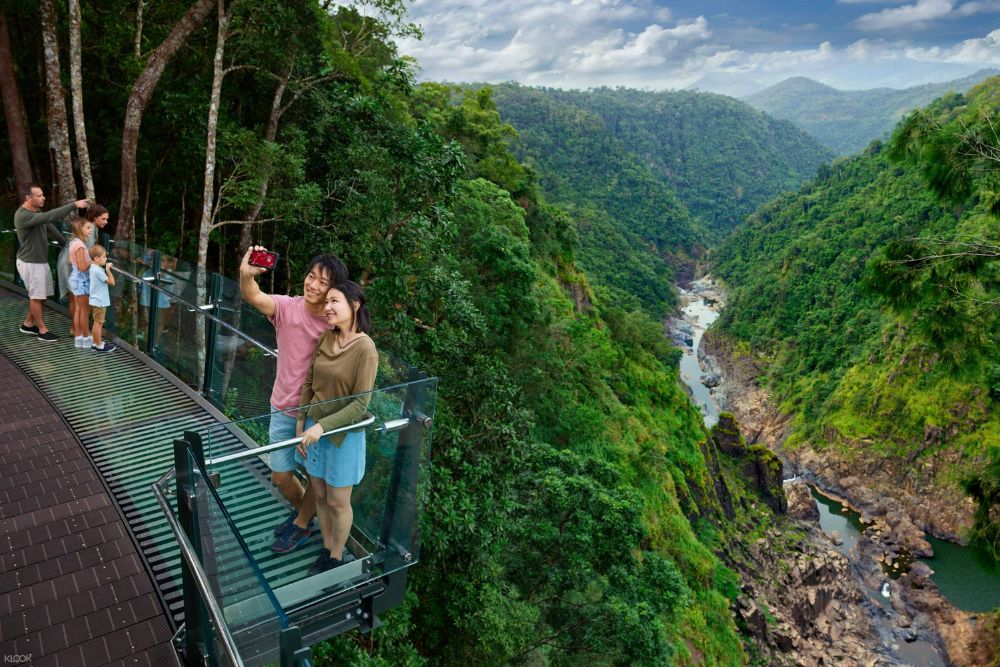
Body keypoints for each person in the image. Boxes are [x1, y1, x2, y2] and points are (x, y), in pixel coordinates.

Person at [239, 245, 349, 553]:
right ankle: (305, 515)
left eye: (322, 282)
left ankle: (301, 524)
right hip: (283, 407)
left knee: (316, 477)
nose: (313, 285)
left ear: (334, 290)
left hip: (317, 416)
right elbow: (254, 296)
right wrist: (246, 274)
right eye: (310, 276)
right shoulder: (288, 308)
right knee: (281, 477)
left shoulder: (337, 323)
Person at [296, 281, 378, 576]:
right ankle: (327, 548)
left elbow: (360, 404)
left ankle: (336, 554)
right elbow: (309, 383)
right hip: (313, 431)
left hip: (343, 437)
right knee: (319, 496)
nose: (327, 307)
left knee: (338, 501)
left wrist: (321, 426)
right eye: (326, 302)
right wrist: (301, 424)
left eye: (335, 301)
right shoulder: (325, 338)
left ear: (354, 306)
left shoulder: (365, 348)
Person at [13, 184, 89, 342]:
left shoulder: (36, 211)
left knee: (41, 297)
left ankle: (28, 324)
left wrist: (66, 243)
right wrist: (73, 205)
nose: (43, 198)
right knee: (36, 296)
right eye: (39, 195)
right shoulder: (22, 215)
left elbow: (48, 225)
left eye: (42, 194)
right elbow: (50, 217)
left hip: (40, 261)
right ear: (28, 197)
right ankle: (42, 330)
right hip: (30, 263)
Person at [58, 204, 108, 317]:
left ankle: (74, 328)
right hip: (72, 265)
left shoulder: (85, 225)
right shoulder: (90, 229)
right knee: (79, 300)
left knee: (73, 298)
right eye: (103, 219)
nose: (106, 222)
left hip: (66, 261)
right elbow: (88, 254)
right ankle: (79, 330)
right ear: (95, 217)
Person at [67, 217, 94, 348]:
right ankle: (86, 339)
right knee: (85, 311)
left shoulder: (73, 242)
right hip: (81, 280)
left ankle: (78, 338)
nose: (90, 230)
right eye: (88, 228)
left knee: (78, 310)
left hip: (75, 278)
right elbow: (83, 267)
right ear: (80, 229)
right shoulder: (80, 246)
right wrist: (94, 261)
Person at [87, 244, 117, 353]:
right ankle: (98, 345)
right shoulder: (98, 271)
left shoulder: (94, 267)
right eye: (104, 257)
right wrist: (108, 270)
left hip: (96, 300)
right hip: (99, 301)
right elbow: (112, 282)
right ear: (96, 258)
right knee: (98, 323)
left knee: (97, 322)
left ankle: (96, 343)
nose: (106, 259)